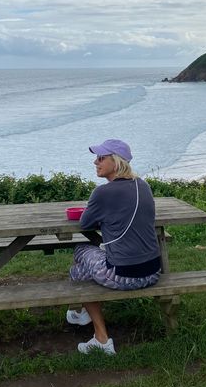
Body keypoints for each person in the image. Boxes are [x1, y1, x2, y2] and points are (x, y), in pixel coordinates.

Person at [66, 139, 161, 355]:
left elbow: (85, 224)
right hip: (154, 272)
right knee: (85, 268)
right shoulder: (144, 186)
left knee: (80, 255)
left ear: (116, 162)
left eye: (101, 158)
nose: (95, 162)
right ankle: (82, 313)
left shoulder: (102, 193)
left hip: (125, 276)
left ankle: (101, 337)